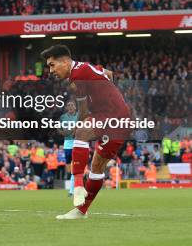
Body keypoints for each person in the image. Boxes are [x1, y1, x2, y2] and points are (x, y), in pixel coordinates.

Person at [41, 44, 131, 220]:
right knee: (97, 166)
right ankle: (81, 211)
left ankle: (77, 186)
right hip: (120, 116)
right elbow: (110, 74)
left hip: (111, 116)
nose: (50, 70)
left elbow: (82, 112)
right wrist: (108, 95)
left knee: (81, 132)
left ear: (65, 61)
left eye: (52, 65)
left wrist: (78, 126)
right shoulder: (86, 67)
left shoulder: (77, 76)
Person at [59, 100, 78, 196]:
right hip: (67, 144)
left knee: (76, 167)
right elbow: (59, 128)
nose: (70, 106)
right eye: (68, 105)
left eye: (72, 105)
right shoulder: (63, 117)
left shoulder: (79, 116)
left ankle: (71, 190)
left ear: (75, 107)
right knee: (70, 168)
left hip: (77, 143)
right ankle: (73, 188)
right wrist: (62, 132)